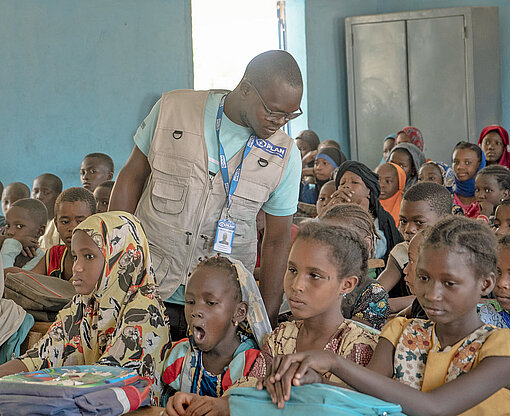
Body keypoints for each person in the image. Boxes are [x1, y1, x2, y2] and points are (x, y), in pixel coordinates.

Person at [109, 50, 304, 332]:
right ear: (246, 89)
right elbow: (132, 176)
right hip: (145, 287)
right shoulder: (173, 108)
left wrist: (268, 322)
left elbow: (276, 242)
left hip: (220, 308)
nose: (279, 122)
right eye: (273, 111)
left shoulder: (285, 155)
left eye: (289, 115)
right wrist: (114, 262)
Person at [265, 217, 510, 416]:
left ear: (485, 283)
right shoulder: (402, 332)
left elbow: (435, 408)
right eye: (424, 277)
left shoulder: (501, 347)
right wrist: (315, 382)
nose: (433, 294)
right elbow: (367, 400)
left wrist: (333, 361)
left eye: (449, 283)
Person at [166, 223, 379, 416]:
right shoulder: (281, 337)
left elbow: (355, 406)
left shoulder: (361, 345)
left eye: (314, 276)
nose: (297, 285)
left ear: (347, 285)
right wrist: (206, 405)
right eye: (292, 270)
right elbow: (249, 388)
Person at [0, 211, 170, 403]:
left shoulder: (144, 313)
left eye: (88, 256)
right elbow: (36, 359)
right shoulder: (83, 304)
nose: (77, 267)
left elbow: (109, 381)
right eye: (75, 256)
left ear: (121, 257)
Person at [162, 255, 270, 407]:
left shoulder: (251, 365)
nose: (196, 311)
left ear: (239, 312)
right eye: (190, 302)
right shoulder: (180, 356)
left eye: (211, 303)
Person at [377, 182, 452, 309]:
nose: (408, 229)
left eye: (419, 222)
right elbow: (375, 293)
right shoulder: (401, 251)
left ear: (444, 221)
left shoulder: (459, 254)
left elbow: (454, 298)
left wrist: (385, 305)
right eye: (404, 221)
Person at [320, 204, 390, 330]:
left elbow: (353, 337)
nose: (330, 247)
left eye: (341, 239)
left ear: (366, 244)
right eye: (324, 239)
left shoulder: (373, 293)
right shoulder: (315, 280)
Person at [332, 160, 403, 264]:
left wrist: (361, 213)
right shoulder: (332, 217)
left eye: (355, 182)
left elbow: (366, 253)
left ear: (369, 191)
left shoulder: (382, 223)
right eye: (342, 183)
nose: (346, 186)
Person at [30, 187, 96, 280]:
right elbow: (29, 279)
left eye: (80, 221)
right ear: (56, 225)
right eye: (65, 222)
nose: (72, 228)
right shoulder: (55, 255)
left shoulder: (100, 258)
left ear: (94, 223)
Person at [1, 199, 47, 270]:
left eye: (19, 226)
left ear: (39, 232)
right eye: (7, 226)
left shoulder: (42, 261)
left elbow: (5, 277)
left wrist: (11, 245)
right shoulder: (3, 247)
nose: (10, 232)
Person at [452, 141, 486, 217]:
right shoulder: (447, 197)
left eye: (467, 162)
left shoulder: (487, 198)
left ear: (479, 165)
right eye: (456, 162)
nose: (459, 167)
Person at [32, 173, 63, 250]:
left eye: (46, 193)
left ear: (58, 196)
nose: (39, 197)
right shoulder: (29, 223)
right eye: (35, 192)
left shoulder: (61, 226)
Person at [375, 162, 406, 226]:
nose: (381, 185)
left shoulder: (406, 209)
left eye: (388, 181)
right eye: (378, 180)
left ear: (399, 184)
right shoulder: (367, 204)